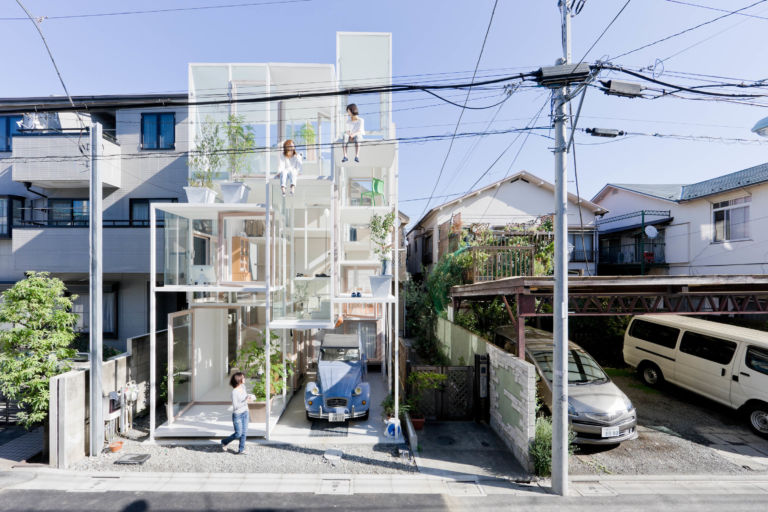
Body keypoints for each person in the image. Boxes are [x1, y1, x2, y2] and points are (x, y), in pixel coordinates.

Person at [221, 371, 254, 454]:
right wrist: (245, 401)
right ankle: (224, 442)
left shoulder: (243, 387)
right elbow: (235, 406)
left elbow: (245, 397)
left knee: (244, 432)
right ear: (239, 379)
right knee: (238, 433)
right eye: (243, 377)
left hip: (245, 412)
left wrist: (249, 397)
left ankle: (241, 449)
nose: (244, 378)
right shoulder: (234, 392)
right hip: (238, 415)